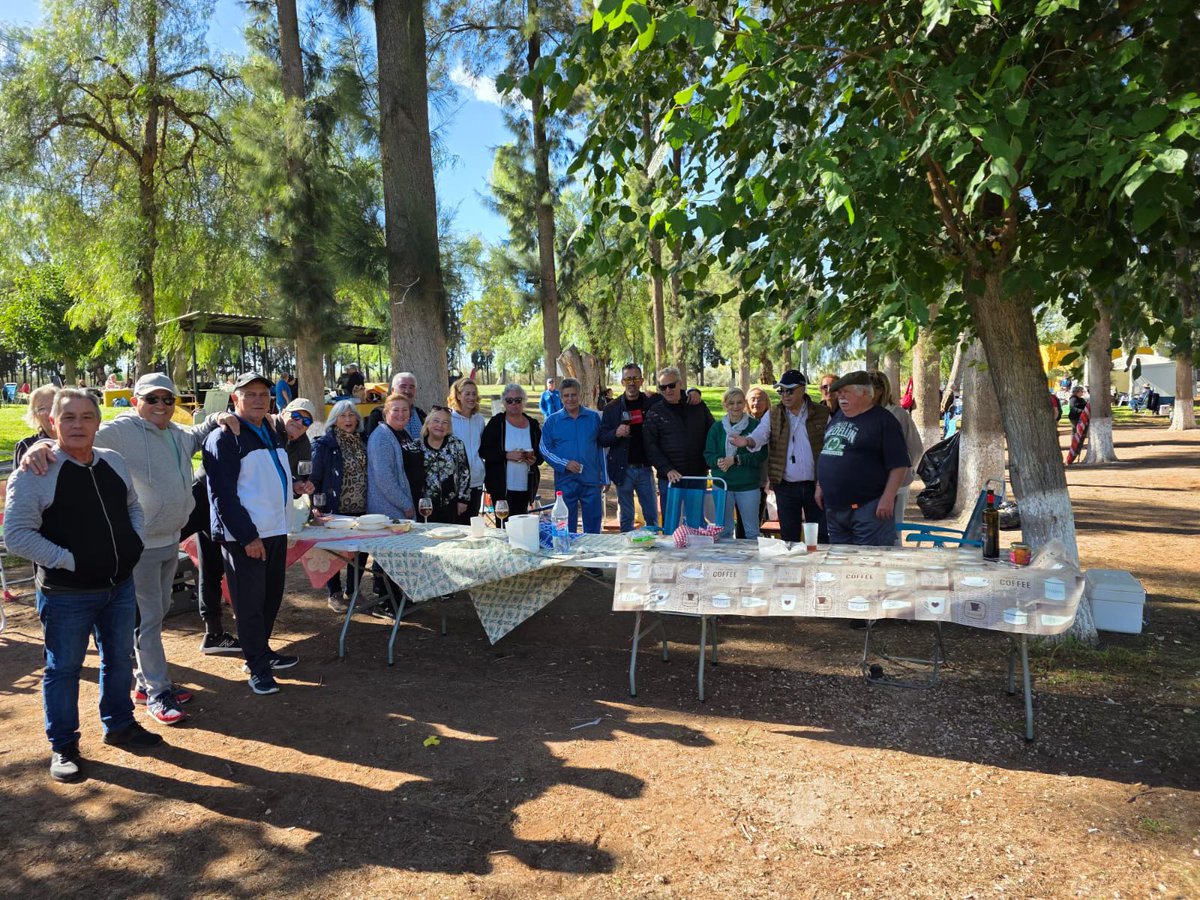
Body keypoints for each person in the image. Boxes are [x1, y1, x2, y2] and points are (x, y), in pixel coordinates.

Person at [19, 374, 237, 726]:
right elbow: (75, 437)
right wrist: (39, 446)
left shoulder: (177, 434)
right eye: (152, 399)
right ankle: (157, 691)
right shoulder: (122, 430)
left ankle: (143, 682)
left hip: (171, 539)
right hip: (141, 548)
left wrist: (217, 417)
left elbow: (198, 434)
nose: (161, 406)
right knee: (149, 621)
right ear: (136, 402)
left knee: (157, 614)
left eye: (168, 399)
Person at [4, 389, 161, 783]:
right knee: (64, 669)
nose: (78, 424)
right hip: (67, 594)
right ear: (52, 422)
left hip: (119, 586)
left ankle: (120, 724)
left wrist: (133, 541)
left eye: (87, 416)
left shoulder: (113, 461)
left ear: (97, 422)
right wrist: (71, 561)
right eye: (68, 417)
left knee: (120, 658)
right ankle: (63, 746)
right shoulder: (35, 471)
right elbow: (17, 535)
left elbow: (132, 507)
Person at [203, 372, 298, 695]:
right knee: (250, 604)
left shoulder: (270, 430)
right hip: (247, 536)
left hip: (276, 530)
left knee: (271, 597)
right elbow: (222, 496)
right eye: (250, 394)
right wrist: (247, 536)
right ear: (235, 399)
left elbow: (269, 475)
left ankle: (261, 653)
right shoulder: (224, 437)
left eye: (263, 394)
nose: (258, 399)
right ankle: (257, 668)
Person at [733, 370, 830, 544]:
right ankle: (791, 571)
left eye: (790, 390)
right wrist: (747, 441)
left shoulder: (822, 413)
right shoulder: (774, 413)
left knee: (819, 537)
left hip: (816, 486)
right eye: (781, 391)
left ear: (802, 389)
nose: (785, 395)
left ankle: (819, 570)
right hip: (785, 486)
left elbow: (831, 445)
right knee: (789, 538)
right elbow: (761, 434)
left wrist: (823, 482)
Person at [815, 371, 910, 547]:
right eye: (839, 393)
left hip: (869, 507)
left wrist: (888, 497)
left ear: (865, 393)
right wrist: (820, 485)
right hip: (835, 507)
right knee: (840, 561)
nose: (840, 397)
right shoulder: (837, 418)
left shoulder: (884, 421)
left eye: (846, 392)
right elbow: (828, 451)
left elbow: (899, 464)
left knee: (868, 563)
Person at [311, 400, 369, 613]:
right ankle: (334, 592)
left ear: (357, 419)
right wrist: (314, 503)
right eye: (342, 416)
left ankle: (353, 590)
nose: (348, 420)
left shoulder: (364, 440)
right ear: (334, 420)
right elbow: (314, 477)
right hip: (335, 505)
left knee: (360, 550)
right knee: (333, 551)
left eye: (351, 415)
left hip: (362, 505)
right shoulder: (324, 444)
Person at [643, 366, 715, 516]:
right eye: (663, 387)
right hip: (670, 478)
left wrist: (709, 462)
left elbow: (713, 433)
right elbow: (650, 446)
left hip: (696, 475)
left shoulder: (697, 405)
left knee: (696, 523)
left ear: (680, 384)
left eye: (672, 385)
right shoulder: (655, 412)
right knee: (671, 523)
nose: (668, 390)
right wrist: (667, 468)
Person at [599, 364, 663, 532]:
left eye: (635, 378)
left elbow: (675, 394)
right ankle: (627, 553)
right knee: (626, 517)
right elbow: (602, 439)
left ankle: (654, 550)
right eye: (628, 379)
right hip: (623, 469)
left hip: (645, 468)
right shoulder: (611, 408)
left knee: (651, 516)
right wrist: (616, 433)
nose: (632, 383)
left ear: (642, 380)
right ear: (622, 382)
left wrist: (694, 392)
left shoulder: (652, 402)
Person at [540, 377, 607, 534]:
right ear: (561, 397)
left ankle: (592, 555)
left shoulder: (593, 418)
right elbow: (544, 449)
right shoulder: (552, 421)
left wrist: (605, 476)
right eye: (566, 395)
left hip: (591, 479)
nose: (570, 399)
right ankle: (566, 555)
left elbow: (601, 448)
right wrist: (564, 464)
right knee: (565, 527)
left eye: (573, 395)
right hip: (565, 481)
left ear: (580, 395)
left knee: (593, 528)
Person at [704, 388, 766, 539]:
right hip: (722, 485)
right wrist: (718, 461)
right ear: (725, 405)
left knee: (752, 532)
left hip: (748, 486)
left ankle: (753, 562)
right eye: (731, 403)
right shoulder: (717, 428)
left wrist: (736, 460)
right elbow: (708, 454)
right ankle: (728, 563)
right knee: (724, 532)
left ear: (745, 404)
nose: (736, 406)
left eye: (739, 402)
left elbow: (761, 454)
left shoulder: (755, 426)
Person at [868, 370, 924, 526]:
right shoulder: (865, 414)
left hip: (896, 486)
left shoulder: (897, 414)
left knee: (892, 531)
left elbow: (915, 447)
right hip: (870, 485)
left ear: (879, 391)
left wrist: (903, 472)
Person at [480, 384, 543, 517]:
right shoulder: (497, 423)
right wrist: (506, 455)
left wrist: (534, 460)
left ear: (523, 401)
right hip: (501, 488)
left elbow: (541, 454)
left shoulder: (532, 425)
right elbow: (484, 451)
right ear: (504, 402)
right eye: (509, 400)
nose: (514, 404)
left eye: (518, 400)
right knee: (503, 526)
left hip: (525, 487)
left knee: (521, 524)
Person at [417, 407, 471, 523]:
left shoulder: (457, 444)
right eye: (436, 421)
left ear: (449, 427)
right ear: (427, 424)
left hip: (451, 505)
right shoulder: (417, 446)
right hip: (425, 507)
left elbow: (465, 473)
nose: (440, 425)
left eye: (445, 422)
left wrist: (463, 499)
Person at [448, 377, 487, 523]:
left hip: (476, 481)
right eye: (467, 394)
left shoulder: (479, 420)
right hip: (455, 484)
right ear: (458, 395)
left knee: (472, 525)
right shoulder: (449, 419)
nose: (471, 398)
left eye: (474, 394)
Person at [365, 371, 426, 438]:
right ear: (393, 390)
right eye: (403, 386)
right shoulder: (378, 415)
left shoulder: (421, 415)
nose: (407, 391)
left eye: (411, 387)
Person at [13, 384, 59, 468]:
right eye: (41, 409)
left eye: (53, 406)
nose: (48, 413)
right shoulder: (26, 445)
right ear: (34, 415)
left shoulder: (78, 439)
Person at [276, 398, 316, 478]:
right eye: (296, 416)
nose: (299, 423)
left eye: (306, 421)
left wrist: (302, 485)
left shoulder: (304, 444)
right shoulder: (267, 430)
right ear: (283, 413)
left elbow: (304, 475)